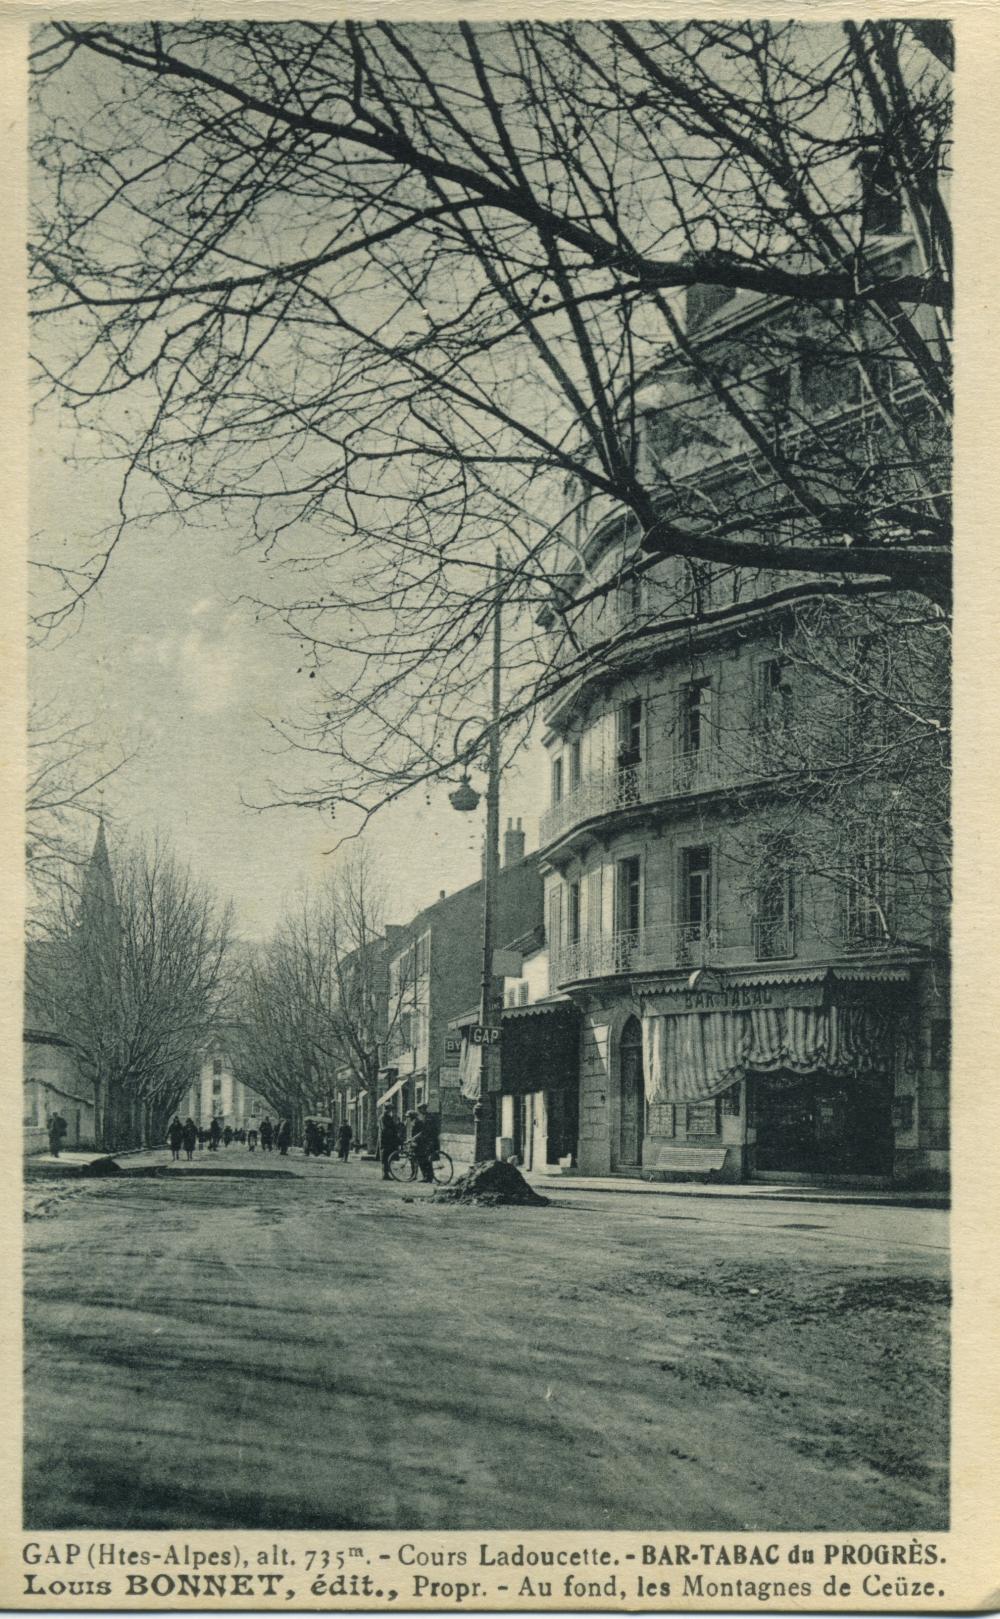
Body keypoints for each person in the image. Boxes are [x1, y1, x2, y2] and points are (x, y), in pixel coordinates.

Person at [410, 1102, 440, 1184]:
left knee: (425, 1159)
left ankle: (428, 1177)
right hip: (427, 1141)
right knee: (424, 1159)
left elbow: (426, 1131)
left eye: (420, 1109)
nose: (419, 1111)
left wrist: (416, 1137)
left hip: (431, 1141)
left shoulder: (428, 1118)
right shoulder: (426, 1117)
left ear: (424, 1109)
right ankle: (427, 1176)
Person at [377, 1106, 401, 1180]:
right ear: (386, 1109)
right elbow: (384, 1129)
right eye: (390, 1109)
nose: (390, 1110)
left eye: (391, 1109)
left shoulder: (388, 1117)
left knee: (388, 1157)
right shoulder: (383, 1117)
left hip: (390, 1140)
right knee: (385, 1157)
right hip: (385, 1140)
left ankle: (387, 1173)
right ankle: (385, 1174)